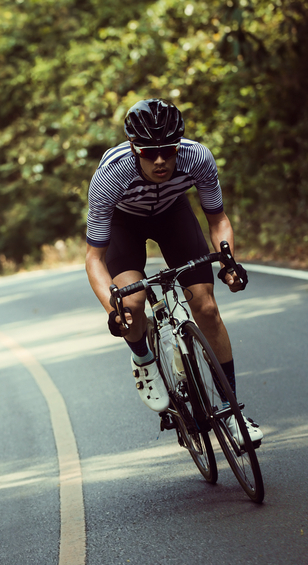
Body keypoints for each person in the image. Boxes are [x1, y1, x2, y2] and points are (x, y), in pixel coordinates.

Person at [84, 98, 262, 445]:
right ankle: (144, 358)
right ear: (135, 148)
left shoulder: (197, 158)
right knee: (133, 305)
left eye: (168, 150)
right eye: (150, 153)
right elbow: (94, 258)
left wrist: (228, 263)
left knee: (207, 307)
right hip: (125, 224)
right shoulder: (110, 174)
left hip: (172, 214)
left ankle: (232, 413)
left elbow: (219, 220)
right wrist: (114, 308)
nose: (161, 160)